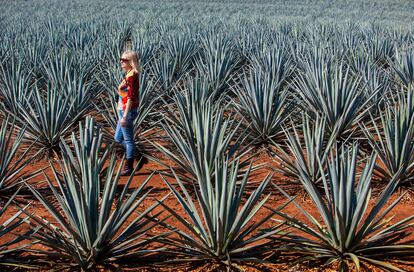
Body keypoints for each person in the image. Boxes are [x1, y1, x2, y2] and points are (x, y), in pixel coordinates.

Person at [114, 50, 141, 176]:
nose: (121, 62)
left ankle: (128, 167)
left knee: (128, 140)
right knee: (118, 138)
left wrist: (124, 116)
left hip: (127, 112)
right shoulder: (129, 74)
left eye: (124, 60)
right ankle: (136, 153)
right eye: (121, 59)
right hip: (123, 111)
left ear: (131, 62)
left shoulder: (132, 76)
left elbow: (130, 97)